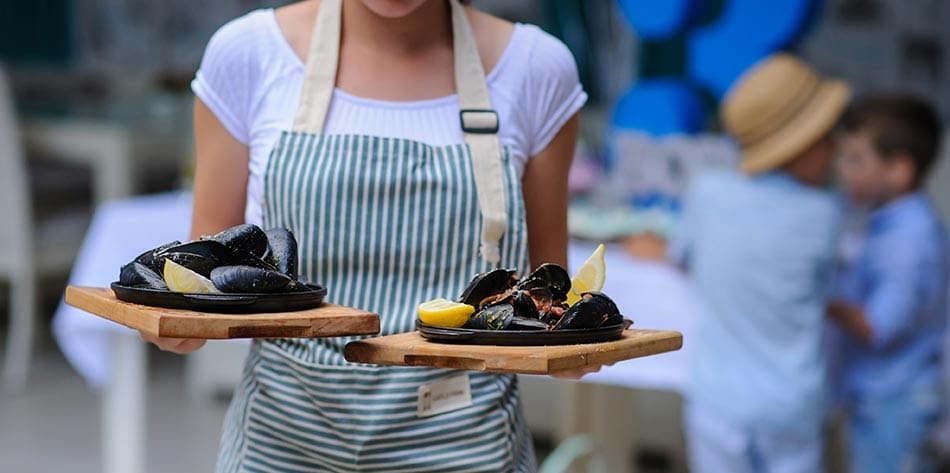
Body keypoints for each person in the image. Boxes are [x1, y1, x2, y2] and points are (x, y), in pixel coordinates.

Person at [137, 0, 593, 470]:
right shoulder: (247, 54)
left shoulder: (537, 68)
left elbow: (550, 306)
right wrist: (176, 323)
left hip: (467, 445)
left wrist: (577, 345)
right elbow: (202, 282)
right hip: (280, 446)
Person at [668, 53, 851, 473]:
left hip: (716, 400)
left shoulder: (706, 193)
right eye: (826, 135)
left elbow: (681, 255)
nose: (835, 146)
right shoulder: (826, 214)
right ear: (799, 145)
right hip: (792, 405)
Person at [829, 93, 946, 473]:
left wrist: (816, 298)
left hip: (897, 401)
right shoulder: (878, 218)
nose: (843, 170)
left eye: (856, 160)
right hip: (876, 394)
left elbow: (879, 326)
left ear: (899, 169)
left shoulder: (911, 238)